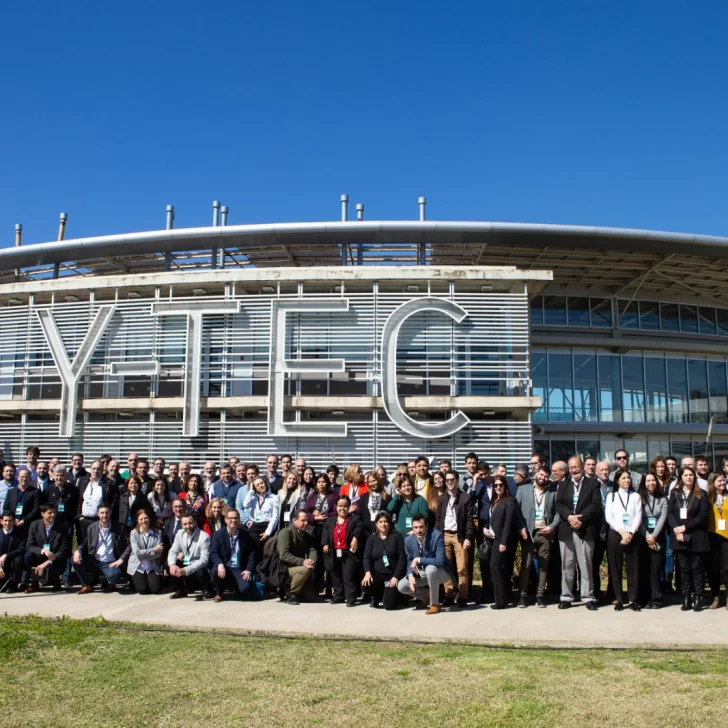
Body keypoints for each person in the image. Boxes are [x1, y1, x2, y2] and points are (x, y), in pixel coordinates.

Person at [554, 457, 601, 610]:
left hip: (585, 529)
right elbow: (558, 504)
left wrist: (580, 519)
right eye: (571, 467)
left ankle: (588, 597)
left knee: (586, 565)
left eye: (576, 466)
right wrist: (569, 517)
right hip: (566, 530)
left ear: (582, 467)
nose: (574, 469)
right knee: (567, 565)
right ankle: (566, 597)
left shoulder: (593, 483)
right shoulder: (563, 484)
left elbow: (595, 505)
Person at [516, 465, 559, 608]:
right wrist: (521, 527)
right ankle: (523, 596)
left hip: (544, 533)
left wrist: (551, 527)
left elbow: (558, 513)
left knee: (543, 566)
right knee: (526, 565)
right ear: (536, 474)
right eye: (541, 475)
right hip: (528, 533)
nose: (543, 478)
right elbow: (516, 511)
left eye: (546, 476)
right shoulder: (523, 489)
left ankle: (540, 595)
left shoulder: (552, 492)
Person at [668, 466, 709, 611]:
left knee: (697, 569)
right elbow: (670, 514)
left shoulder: (702, 494)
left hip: (696, 536)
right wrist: (677, 530)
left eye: (691, 475)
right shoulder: (674, 493)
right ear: (681, 478)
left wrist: (685, 528)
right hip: (679, 537)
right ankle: (686, 597)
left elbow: (702, 516)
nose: (689, 477)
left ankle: (698, 597)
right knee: (684, 569)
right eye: (686, 475)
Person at [397, 513, 451, 615]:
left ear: (426, 526)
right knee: (402, 586)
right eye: (415, 527)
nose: (418, 530)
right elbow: (409, 561)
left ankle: (435, 604)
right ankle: (426, 596)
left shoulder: (436, 535)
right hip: (422, 573)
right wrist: (410, 574)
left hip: (441, 572)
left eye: (421, 527)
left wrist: (418, 560)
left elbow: (440, 561)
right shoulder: (408, 540)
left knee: (430, 569)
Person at [434, 469, 474, 607]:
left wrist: (468, 537)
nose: (449, 482)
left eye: (452, 479)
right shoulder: (441, 498)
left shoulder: (465, 498)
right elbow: (438, 519)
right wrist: (437, 537)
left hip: (459, 536)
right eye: (447, 480)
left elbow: (469, 520)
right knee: (445, 568)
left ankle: (463, 596)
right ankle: (449, 595)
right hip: (444, 535)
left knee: (461, 568)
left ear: (457, 480)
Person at [605, 471, 642, 611]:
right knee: (615, 567)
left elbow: (638, 515)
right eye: (623, 478)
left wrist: (630, 532)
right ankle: (619, 599)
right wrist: (621, 532)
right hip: (616, 535)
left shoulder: (635, 496)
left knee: (633, 569)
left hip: (632, 536)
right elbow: (609, 517)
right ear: (617, 481)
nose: (627, 480)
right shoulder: (611, 496)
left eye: (628, 478)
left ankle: (633, 600)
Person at [73, 503, 128, 594]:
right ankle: (87, 585)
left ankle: (109, 581)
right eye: (102, 513)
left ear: (110, 513)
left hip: (111, 562)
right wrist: (78, 551)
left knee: (115, 575)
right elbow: (85, 542)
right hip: (95, 561)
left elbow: (129, 545)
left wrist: (121, 559)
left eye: (107, 512)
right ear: (98, 514)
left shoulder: (119, 527)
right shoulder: (92, 527)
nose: (104, 515)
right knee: (74, 560)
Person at [322, 495, 362, 606]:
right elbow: (325, 532)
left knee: (348, 575)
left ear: (349, 507)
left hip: (348, 552)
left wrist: (355, 539)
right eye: (340, 506)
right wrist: (325, 543)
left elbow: (359, 529)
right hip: (334, 551)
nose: (342, 509)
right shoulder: (331, 520)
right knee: (336, 575)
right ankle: (339, 596)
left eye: (345, 506)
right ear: (336, 507)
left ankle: (351, 598)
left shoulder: (354, 519)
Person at [210, 509, 257, 601]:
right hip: (225, 567)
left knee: (245, 590)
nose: (233, 520)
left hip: (239, 569)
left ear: (239, 520)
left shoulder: (246, 535)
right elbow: (213, 552)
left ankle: (237, 588)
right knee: (216, 571)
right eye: (230, 518)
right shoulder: (218, 535)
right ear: (225, 520)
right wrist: (220, 564)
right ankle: (219, 593)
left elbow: (252, 554)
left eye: (236, 518)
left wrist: (248, 570)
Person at [362, 511, 406, 610]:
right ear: (376, 524)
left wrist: (396, 577)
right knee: (365, 584)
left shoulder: (397, 537)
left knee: (389, 606)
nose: (383, 524)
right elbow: (366, 557)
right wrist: (367, 572)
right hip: (377, 574)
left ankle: (399, 596)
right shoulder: (371, 538)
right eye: (380, 521)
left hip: (392, 575)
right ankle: (376, 597)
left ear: (390, 523)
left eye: (386, 521)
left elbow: (402, 558)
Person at [638, 471, 668, 609]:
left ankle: (657, 599)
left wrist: (654, 536)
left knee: (656, 569)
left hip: (658, 536)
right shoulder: (639, 498)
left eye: (653, 480)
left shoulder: (662, 498)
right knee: (644, 569)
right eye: (648, 481)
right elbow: (638, 518)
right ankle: (645, 598)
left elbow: (662, 518)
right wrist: (647, 536)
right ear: (644, 483)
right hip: (643, 536)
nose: (651, 483)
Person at [487, 476, 517, 609]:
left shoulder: (509, 500)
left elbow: (508, 523)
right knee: (496, 569)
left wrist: (503, 542)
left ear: (505, 486)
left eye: (501, 485)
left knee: (496, 567)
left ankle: (500, 601)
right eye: (496, 485)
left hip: (502, 541)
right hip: (494, 539)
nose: (498, 487)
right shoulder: (494, 501)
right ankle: (501, 599)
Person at [167, 513, 214, 600]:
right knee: (170, 564)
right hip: (186, 562)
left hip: (198, 566)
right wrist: (172, 564)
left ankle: (207, 589)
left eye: (190, 523)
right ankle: (181, 590)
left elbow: (204, 560)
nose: (188, 526)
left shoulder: (204, 537)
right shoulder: (179, 533)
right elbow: (173, 551)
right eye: (185, 524)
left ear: (195, 523)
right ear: (181, 525)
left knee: (201, 572)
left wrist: (186, 570)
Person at [23, 504, 69, 593]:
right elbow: (30, 545)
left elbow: (64, 549)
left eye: (54, 513)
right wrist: (43, 551)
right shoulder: (34, 525)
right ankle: (34, 584)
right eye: (49, 513)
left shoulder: (62, 527)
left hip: (55, 558)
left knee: (58, 562)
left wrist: (48, 561)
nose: (53, 515)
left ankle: (56, 582)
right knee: (28, 556)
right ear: (42, 514)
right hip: (40, 555)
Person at [277, 509, 318, 604]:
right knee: (305, 569)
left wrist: (311, 561)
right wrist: (303, 562)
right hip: (284, 569)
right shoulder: (285, 532)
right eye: (303, 520)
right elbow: (284, 555)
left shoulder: (306, 535)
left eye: (307, 520)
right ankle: (290, 594)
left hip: (297, 567)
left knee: (312, 597)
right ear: (294, 520)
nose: (306, 523)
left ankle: (291, 589)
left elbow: (313, 550)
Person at [124, 510, 164, 594]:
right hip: (138, 565)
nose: (144, 521)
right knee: (142, 590)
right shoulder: (134, 533)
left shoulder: (158, 532)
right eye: (141, 519)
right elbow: (137, 553)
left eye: (146, 518)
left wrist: (144, 554)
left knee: (155, 590)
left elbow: (159, 553)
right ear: (137, 521)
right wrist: (154, 550)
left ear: (149, 519)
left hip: (152, 565)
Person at [76, 460, 118, 541]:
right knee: (83, 544)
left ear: (103, 470)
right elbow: (79, 500)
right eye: (94, 468)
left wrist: (106, 517)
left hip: (100, 521)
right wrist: (79, 516)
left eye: (98, 469)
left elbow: (114, 502)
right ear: (90, 469)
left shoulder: (110, 484)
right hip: (84, 521)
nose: (96, 471)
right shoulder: (84, 482)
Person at [242, 476, 280, 558]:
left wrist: (267, 532)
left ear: (266, 483)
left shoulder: (274, 497)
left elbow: (275, 517)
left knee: (267, 550)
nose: (260, 486)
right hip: (256, 526)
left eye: (261, 483)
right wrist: (251, 490)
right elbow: (245, 505)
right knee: (254, 550)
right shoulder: (253, 498)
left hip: (268, 526)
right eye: (257, 485)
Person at [706, 472, 728, 610]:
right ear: (712, 482)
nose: (722, 483)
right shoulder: (707, 499)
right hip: (712, 537)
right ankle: (716, 597)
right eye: (719, 481)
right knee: (713, 569)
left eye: (723, 480)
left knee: (727, 568)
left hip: (726, 537)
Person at [592, 460, 612, 603]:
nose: (604, 472)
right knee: (595, 563)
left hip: (612, 530)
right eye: (602, 470)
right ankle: (596, 592)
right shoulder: (592, 485)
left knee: (613, 563)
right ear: (596, 471)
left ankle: (612, 592)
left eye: (607, 469)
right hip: (597, 531)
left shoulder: (614, 486)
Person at [3, 468, 40, 541]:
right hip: (12, 525)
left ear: (30, 478)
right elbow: (6, 507)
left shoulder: (35, 492)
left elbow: (36, 509)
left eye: (26, 477)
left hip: (28, 525)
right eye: (22, 477)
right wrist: (13, 520)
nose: (24, 479)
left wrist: (24, 520)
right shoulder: (11, 491)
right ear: (18, 478)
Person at [0, 513, 25, 592]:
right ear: (1, 521)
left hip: (12, 560)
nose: (7, 523)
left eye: (10, 521)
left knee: (19, 560)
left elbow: (22, 549)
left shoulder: (20, 533)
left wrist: (6, 555)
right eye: (5, 521)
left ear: (14, 521)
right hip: (0, 562)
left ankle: (13, 584)